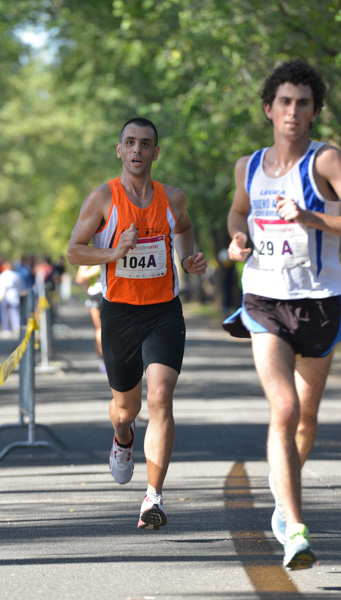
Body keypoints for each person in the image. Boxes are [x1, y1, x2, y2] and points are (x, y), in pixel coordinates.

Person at [223, 59, 341, 569]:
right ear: (268, 109)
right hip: (264, 298)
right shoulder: (249, 165)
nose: (293, 111)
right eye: (284, 102)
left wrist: (312, 217)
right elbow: (238, 209)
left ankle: (280, 483)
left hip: (320, 301)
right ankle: (294, 526)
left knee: (306, 417)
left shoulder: (325, 162)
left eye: (303, 103)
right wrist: (237, 238)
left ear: (314, 113)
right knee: (284, 409)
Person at [67, 117, 207, 530]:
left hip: (163, 311)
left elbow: (183, 229)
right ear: (119, 149)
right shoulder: (102, 199)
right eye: (130, 143)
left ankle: (153, 497)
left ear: (155, 152)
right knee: (126, 410)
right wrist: (112, 252)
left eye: (145, 144)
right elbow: (75, 252)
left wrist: (187, 258)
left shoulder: (173, 198)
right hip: (120, 314)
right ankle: (122, 438)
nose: (137, 151)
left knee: (160, 397)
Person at [75, 264, 105, 372]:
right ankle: (103, 359)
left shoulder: (112, 250)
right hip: (95, 295)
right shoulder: (91, 255)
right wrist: (96, 268)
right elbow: (79, 278)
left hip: (112, 295)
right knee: (100, 330)